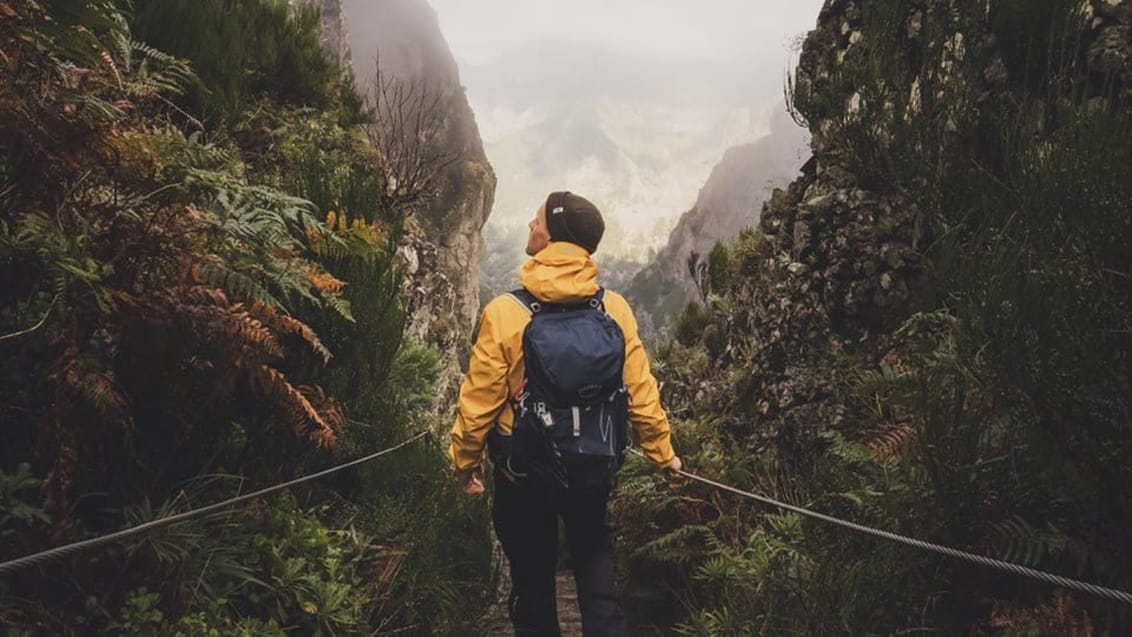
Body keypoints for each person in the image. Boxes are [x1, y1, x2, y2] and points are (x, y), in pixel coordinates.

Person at [449, 190, 681, 636]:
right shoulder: (613, 309)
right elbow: (640, 391)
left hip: (524, 473)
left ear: (553, 234)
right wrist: (661, 453)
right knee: (597, 573)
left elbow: (478, 402)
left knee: (533, 586)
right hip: (592, 466)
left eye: (537, 220)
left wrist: (465, 462)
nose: (530, 226)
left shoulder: (505, 312)